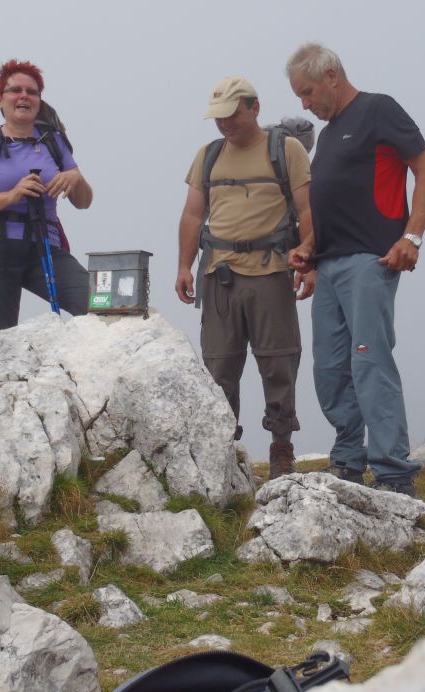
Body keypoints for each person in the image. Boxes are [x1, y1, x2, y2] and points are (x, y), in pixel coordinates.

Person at [286, 43, 425, 497]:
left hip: (370, 261)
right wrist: (309, 253)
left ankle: (394, 474)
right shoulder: (331, 133)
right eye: (299, 96)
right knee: (330, 370)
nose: (304, 104)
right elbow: (335, 204)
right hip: (329, 268)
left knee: (370, 362)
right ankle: (348, 462)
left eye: (308, 92)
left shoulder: (379, 109)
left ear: (332, 75)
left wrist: (411, 237)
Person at [175, 77, 316, 479]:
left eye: (231, 115)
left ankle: (281, 449)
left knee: (278, 363)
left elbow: (308, 211)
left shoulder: (285, 150)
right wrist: (185, 266)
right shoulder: (208, 155)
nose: (224, 124)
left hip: (271, 272)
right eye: (218, 118)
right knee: (219, 368)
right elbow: (191, 215)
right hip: (219, 276)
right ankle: (224, 454)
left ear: (253, 107)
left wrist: (311, 262)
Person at [0, 59, 93, 343]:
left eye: (32, 91)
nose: (24, 96)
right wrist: (12, 195)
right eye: (15, 90)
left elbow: (84, 202)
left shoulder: (54, 142)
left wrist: (76, 178)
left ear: (39, 101)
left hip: (43, 245)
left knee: (96, 303)